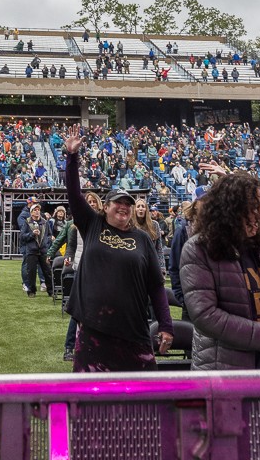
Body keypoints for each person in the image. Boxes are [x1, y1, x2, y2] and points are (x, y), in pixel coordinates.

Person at [62, 127, 172, 372]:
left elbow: (156, 284)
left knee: (141, 395)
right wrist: (72, 158)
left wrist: (166, 324)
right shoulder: (92, 224)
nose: (124, 207)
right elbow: (73, 194)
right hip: (94, 326)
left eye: (128, 204)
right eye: (118, 203)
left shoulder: (142, 239)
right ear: (106, 206)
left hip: (132, 328)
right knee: (92, 393)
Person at [181, 173, 260, 370]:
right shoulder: (199, 248)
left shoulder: (256, 246)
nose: (258, 216)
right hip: (226, 365)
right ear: (230, 212)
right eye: (251, 209)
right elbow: (206, 316)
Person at [19, 202, 51, 297]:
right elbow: (22, 236)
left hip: (43, 250)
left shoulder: (45, 222)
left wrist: (46, 241)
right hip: (31, 250)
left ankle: (51, 291)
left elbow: (49, 235)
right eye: (35, 210)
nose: (37, 212)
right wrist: (32, 234)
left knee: (47, 271)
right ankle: (32, 291)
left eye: (38, 210)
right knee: (31, 272)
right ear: (31, 212)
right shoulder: (27, 222)